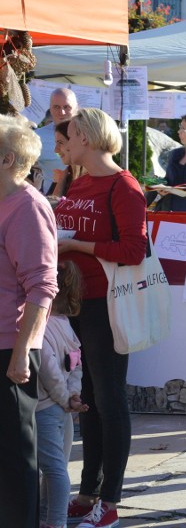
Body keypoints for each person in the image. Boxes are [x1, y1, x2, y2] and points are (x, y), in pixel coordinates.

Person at [53, 108, 148, 528]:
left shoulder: (124, 187)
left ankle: (110, 501)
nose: (64, 144)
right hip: (75, 304)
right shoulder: (78, 181)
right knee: (88, 402)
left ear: (87, 139)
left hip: (107, 305)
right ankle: (88, 490)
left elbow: (133, 251)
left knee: (110, 401)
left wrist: (78, 245)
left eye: (69, 136)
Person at [0, 114, 59, 528]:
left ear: (6, 158)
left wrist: (23, 353)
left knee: (14, 459)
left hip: (10, 348)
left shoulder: (27, 206)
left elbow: (42, 287)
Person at [36, 260, 89, 528]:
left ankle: (55, 522)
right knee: (55, 467)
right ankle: (46, 518)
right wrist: (73, 395)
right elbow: (76, 365)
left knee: (53, 469)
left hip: (45, 407)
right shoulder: (66, 325)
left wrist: (65, 398)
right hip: (61, 407)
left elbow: (48, 370)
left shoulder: (41, 326)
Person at [35, 88, 78, 194]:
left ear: (76, 107)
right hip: (53, 202)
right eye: (56, 107)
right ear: (50, 108)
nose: (62, 112)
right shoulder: (37, 137)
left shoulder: (87, 134)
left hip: (84, 199)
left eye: (67, 107)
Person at [46, 120, 85, 202]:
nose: (56, 150)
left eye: (60, 142)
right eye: (56, 143)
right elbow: (51, 209)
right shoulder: (66, 174)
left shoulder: (96, 178)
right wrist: (61, 181)